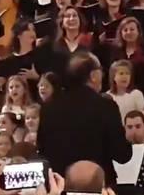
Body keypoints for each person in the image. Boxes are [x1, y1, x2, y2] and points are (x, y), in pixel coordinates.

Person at [38, 53, 131, 186]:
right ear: (93, 76)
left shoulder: (48, 107)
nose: (103, 75)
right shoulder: (106, 106)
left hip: (61, 185)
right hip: (98, 185)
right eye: (100, 71)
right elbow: (122, 155)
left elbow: (43, 150)